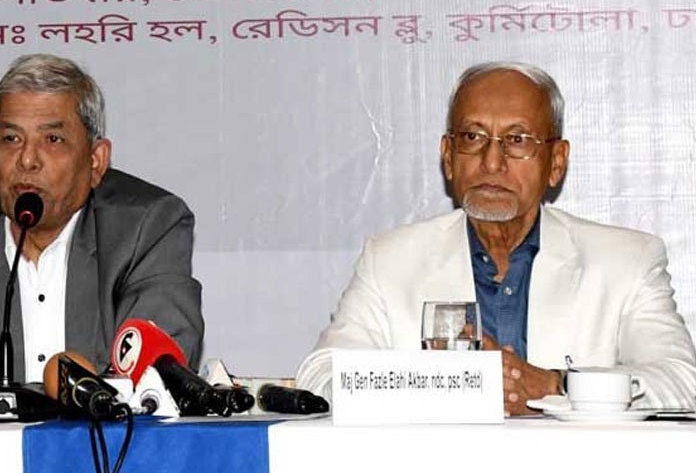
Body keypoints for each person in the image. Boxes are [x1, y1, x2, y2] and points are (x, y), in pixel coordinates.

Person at [296, 62, 696, 414]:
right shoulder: (390, 260)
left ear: (556, 163)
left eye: (517, 141)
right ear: (448, 156)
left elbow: (682, 383)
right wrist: (447, 385)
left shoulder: (625, 261)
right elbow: (320, 377)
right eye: (473, 138)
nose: (491, 162)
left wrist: (556, 387)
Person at [0, 54, 203, 388]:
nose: (27, 160)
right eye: (11, 139)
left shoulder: (145, 227)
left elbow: (155, 374)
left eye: (53, 139)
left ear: (96, 160)